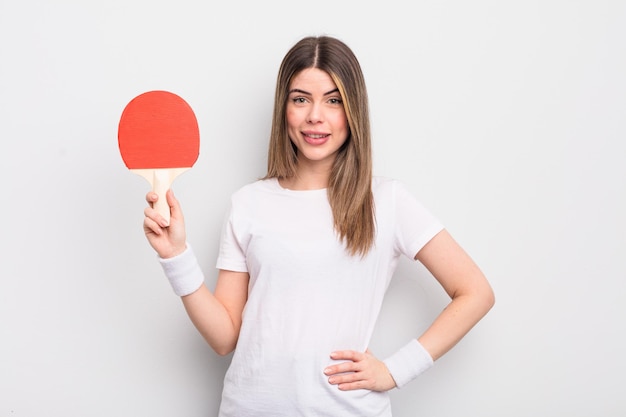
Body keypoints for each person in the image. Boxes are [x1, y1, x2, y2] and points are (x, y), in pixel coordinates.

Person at [143, 35, 495, 417]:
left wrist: (395, 370)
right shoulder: (249, 203)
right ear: (285, 110)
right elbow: (225, 337)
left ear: (353, 110)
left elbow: (475, 292)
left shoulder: (387, 201)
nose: (315, 115)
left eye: (333, 100)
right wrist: (176, 255)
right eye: (300, 99)